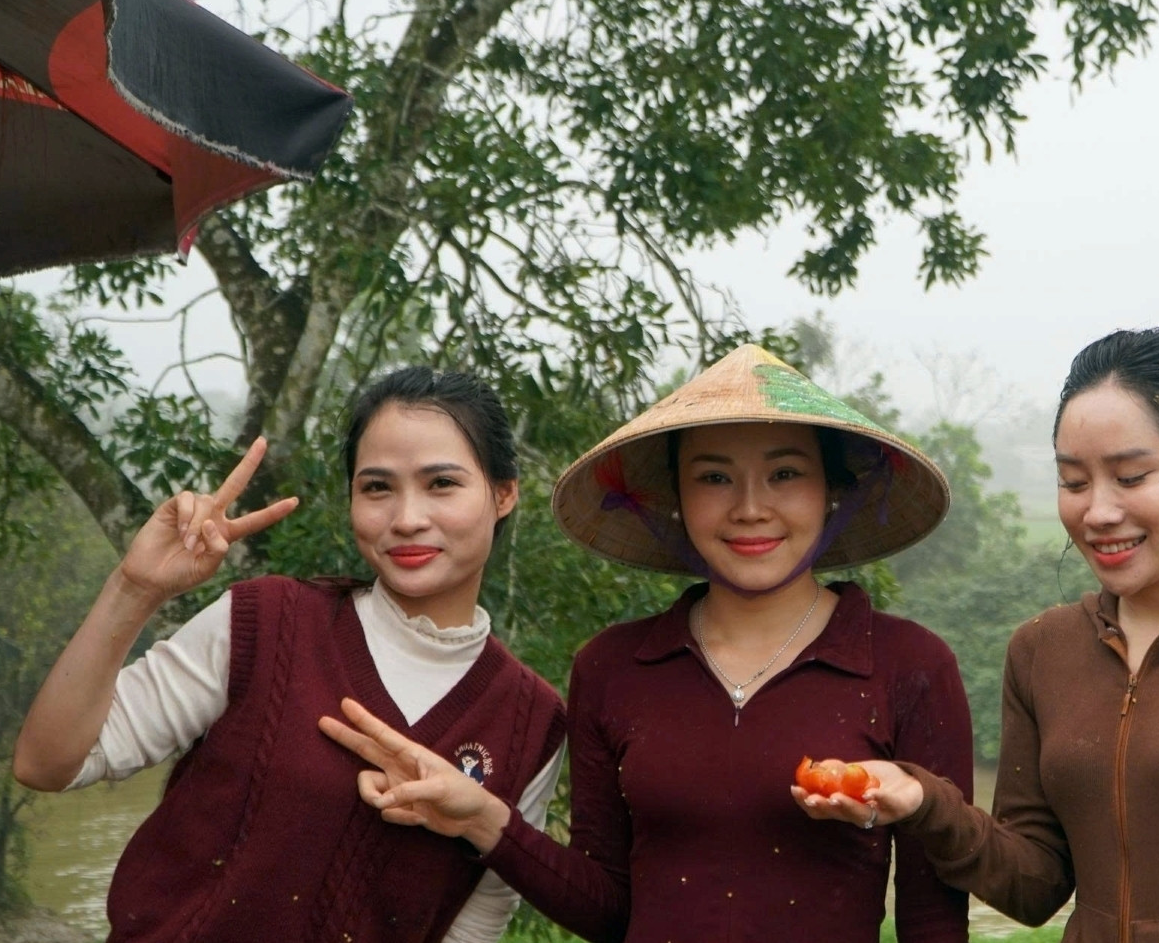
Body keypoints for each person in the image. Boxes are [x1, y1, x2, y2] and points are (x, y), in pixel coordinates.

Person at [320, 343, 975, 943]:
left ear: (832, 491)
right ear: (676, 498)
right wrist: (483, 819)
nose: (750, 506)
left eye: (785, 474)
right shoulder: (613, 668)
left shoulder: (908, 666)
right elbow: (606, 906)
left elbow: (932, 917)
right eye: (714, 477)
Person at [796, 327, 1159, 943]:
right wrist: (922, 800)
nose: (1099, 512)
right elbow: (1033, 884)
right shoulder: (1042, 651)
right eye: (1075, 482)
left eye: (1132, 477)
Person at [10, 367, 567, 943]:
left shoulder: (531, 718)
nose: (406, 518)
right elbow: (48, 764)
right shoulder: (266, 622)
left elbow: (474, 923)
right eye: (377, 487)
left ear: (503, 494)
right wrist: (135, 588)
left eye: (442, 483)